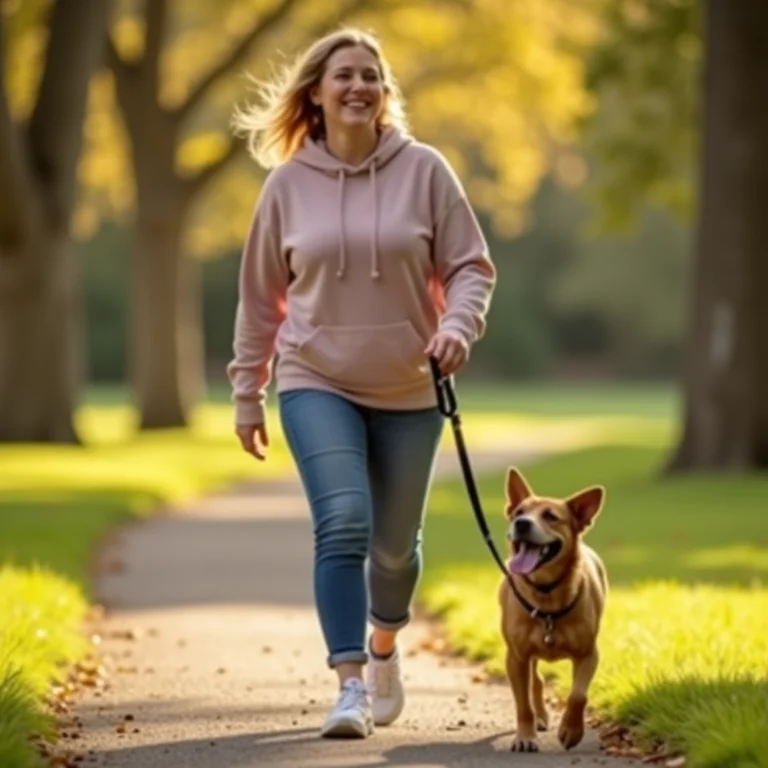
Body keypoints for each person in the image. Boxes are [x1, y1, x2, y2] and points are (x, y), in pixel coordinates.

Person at [227, 27, 496, 739]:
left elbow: (471, 265)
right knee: (343, 520)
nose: (359, 87)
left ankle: (383, 646)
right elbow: (261, 299)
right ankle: (348, 686)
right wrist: (247, 390)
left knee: (394, 548)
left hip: (411, 385)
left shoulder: (426, 171)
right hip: (316, 378)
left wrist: (457, 328)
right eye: (343, 75)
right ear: (315, 93)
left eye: (371, 76)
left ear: (384, 93)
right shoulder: (285, 185)